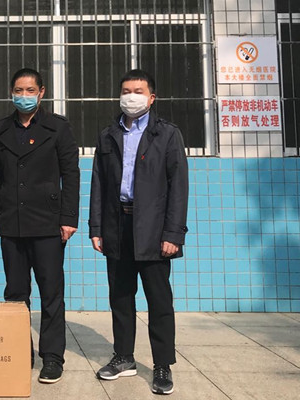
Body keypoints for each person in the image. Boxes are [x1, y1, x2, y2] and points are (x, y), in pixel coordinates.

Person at [89, 69, 189, 395]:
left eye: (138, 91)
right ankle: (123, 357)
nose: (131, 97)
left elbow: (178, 188)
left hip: (154, 229)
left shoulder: (168, 134)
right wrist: (96, 227)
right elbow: (99, 184)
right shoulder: (108, 135)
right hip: (117, 225)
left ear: (151, 97)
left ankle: (162, 364)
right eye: (126, 91)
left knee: (159, 300)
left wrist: (173, 234)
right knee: (120, 296)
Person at [0, 68, 80, 384]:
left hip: (48, 223)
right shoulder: (1, 129)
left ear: (41, 92)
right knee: (15, 292)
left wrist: (68, 219)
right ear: (11, 93)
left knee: (51, 292)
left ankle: (52, 357)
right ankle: (18, 351)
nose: (23, 96)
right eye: (18, 90)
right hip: (11, 222)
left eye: (29, 90)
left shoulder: (58, 127)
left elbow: (71, 174)